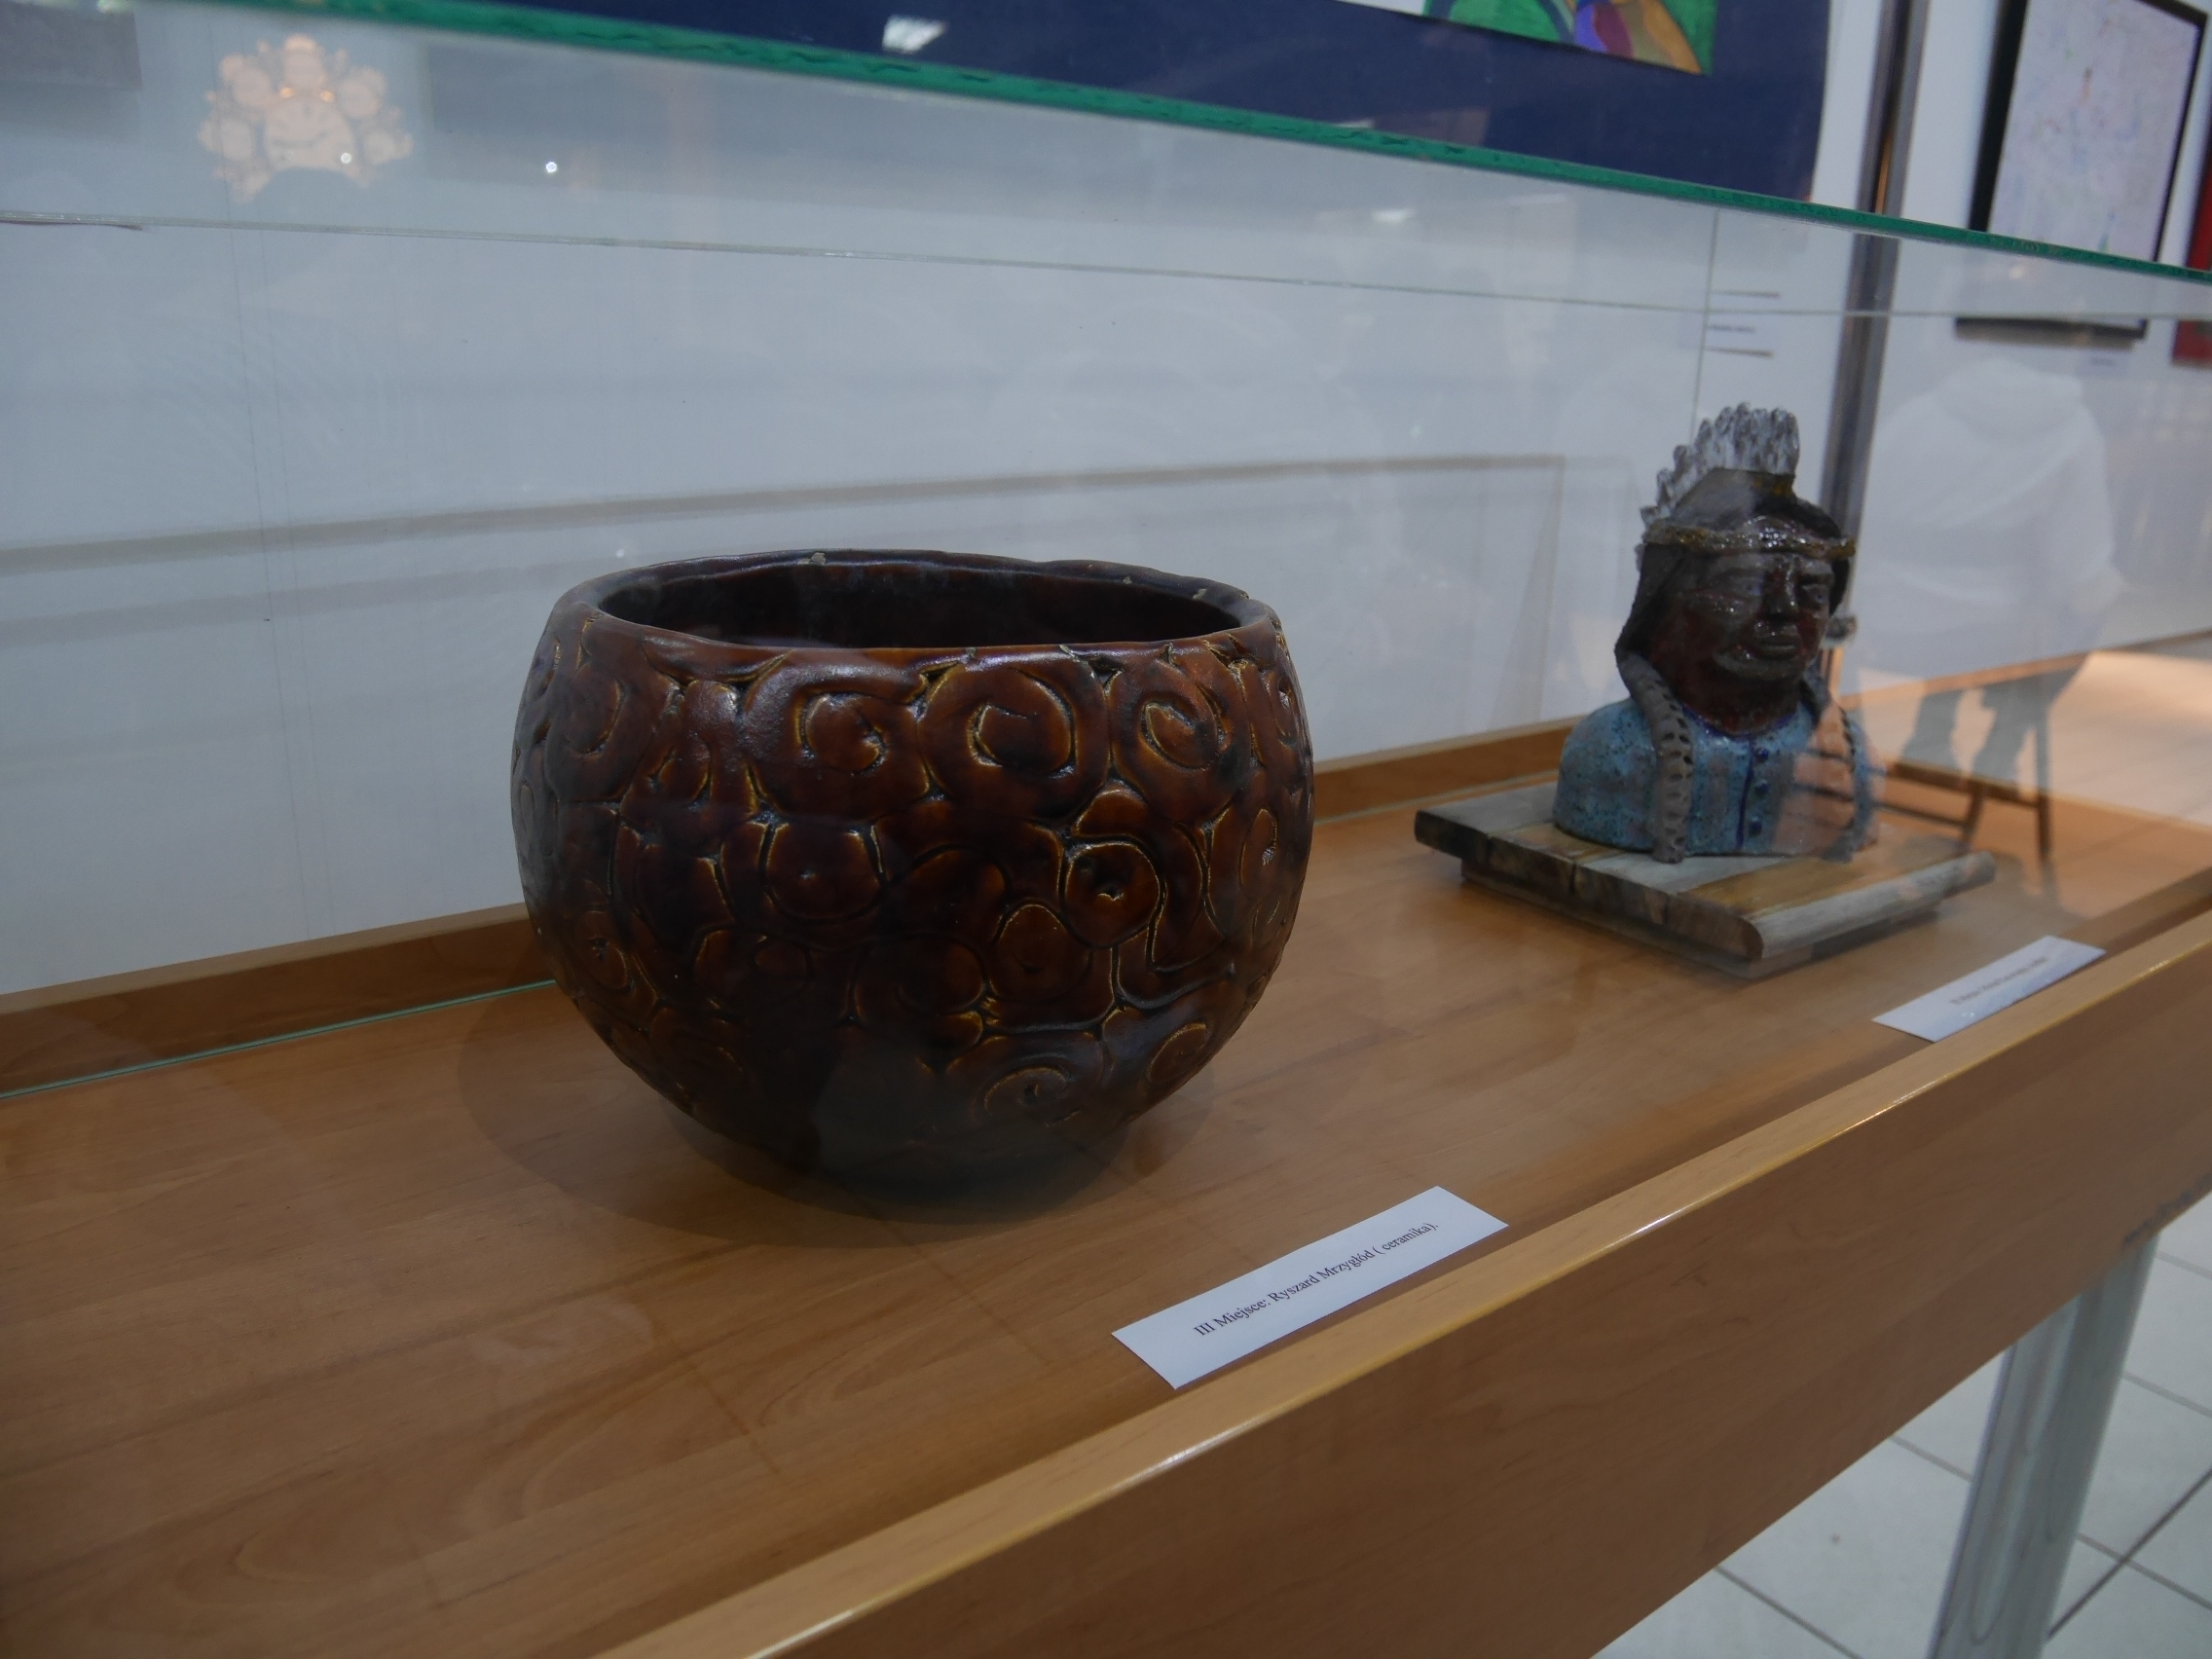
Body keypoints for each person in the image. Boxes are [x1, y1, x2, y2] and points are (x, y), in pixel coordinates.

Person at [1551, 405, 1878, 863]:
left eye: (1812, 591)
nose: (1784, 609)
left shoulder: (1849, 759)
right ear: (1669, 605)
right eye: (1746, 585)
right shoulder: (1612, 752)